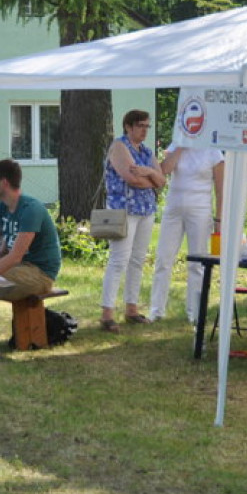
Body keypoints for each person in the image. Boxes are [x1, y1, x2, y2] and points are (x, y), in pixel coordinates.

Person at [0, 159, 62, 363]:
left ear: (4, 183)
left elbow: (16, 255)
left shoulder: (31, 208)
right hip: (15, 267)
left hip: (38, 272)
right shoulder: (2, 208)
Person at [99, 109, 165, 332]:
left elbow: (162, 180)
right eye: (140, 126)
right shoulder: (119, 146)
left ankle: (131, 309)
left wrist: (148, 172)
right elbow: (132, 179)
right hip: (124, 210)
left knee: (137, 260)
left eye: (147, 126)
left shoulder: (146, 151)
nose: (144, 130)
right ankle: (107, 313)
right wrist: (152, 178)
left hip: (146, 210)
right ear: (128, 126)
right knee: (119, 260)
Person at [147, 145, 224, 324]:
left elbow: (220, 191)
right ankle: (157, 310)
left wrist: (218, 220)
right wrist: (180, 148)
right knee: (163, 259)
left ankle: (195, 312)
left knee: (197, 263)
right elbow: (163, 170)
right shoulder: (176, 147)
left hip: (200, 209)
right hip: (173, 208)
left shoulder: (214, 152)